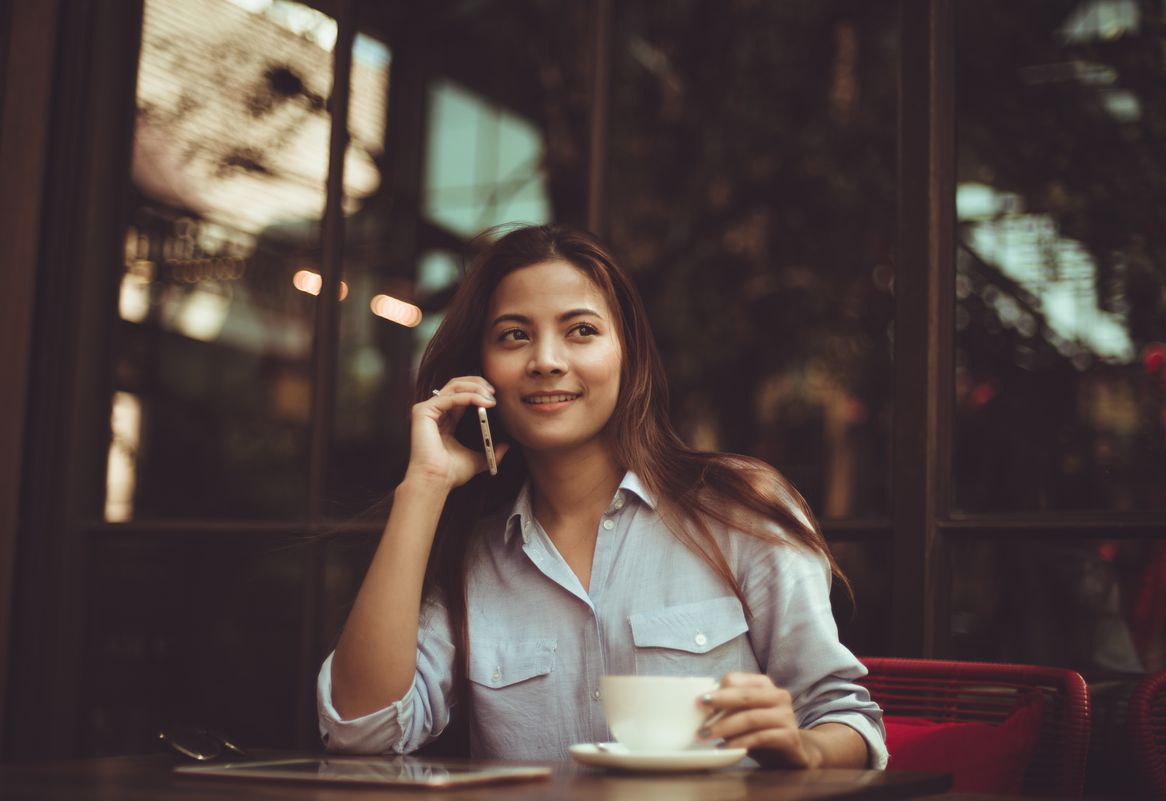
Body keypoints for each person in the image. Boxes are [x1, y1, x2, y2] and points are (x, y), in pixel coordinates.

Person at [317, 224, 887, 768]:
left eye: (581, 330)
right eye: (515, 335)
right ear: (482, 371)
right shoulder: (472, 554)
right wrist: (423, 487)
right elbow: (360, 731)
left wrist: (804, 749)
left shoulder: (737, 510)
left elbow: (846, 719)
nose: (545, 360)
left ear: (627, 355)